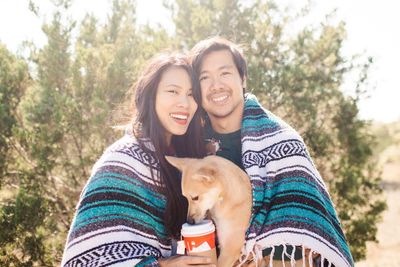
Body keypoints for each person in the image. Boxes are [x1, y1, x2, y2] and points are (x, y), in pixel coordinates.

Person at [189, 37, 354, 267]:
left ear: (242, 78)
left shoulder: (283, 142)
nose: (216, 85)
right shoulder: (190, 150)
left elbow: (303, 227)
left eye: (225, 73)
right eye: (204, 77)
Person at [61, 53, 216, 267]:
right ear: (150, 96)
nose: (185, 103)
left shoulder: (183, 162)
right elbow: (89, 259)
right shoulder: (122, 161)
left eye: (191, 94)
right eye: (173, 91)